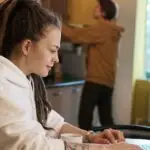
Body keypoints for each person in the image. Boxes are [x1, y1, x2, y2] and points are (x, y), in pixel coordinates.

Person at [0, 0, 141, 150]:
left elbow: (51, 121)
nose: (56, 58)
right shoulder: (4, 84)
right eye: (53, 50)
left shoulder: (26, 80)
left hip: (97, 80)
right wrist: (103, 148)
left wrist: (90, 136)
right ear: (27, 46)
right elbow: (30, 146)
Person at [62, 0, 123, 130]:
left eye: (98, 7)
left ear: (103, 12)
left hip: (95, 81)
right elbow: (84, 32)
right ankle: (115, 145)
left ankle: (86, 147)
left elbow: (74, 35)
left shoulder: (101, 29)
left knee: (84, 119)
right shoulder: (111, 29)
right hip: (108, 82)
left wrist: (54, 23)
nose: (94, 8)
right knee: (106, 120)